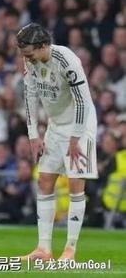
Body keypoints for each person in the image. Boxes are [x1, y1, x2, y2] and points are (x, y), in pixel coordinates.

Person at [18, 23, 97, 262]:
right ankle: (43, 249)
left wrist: (76, 138)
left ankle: (70, 250)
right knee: (44, 180)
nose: (27, 59)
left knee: (75, 184)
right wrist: (33, 135)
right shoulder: (30, 61)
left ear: (43, 46)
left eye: (30, 54)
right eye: (24, 54)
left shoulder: (67, 60)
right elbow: (30, 95)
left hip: (80, 123)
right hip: (55, 124)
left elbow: (83, 101)